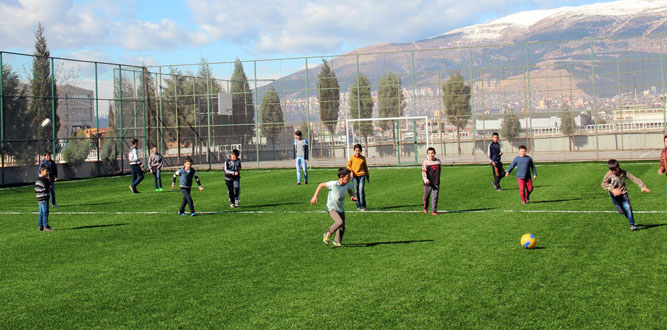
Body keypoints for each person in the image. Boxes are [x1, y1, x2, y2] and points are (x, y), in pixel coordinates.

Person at [310, 167, 357, 248]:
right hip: (331, 207)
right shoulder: (333, 184)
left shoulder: (347, 184)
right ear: (341, 176)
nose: (349, 178)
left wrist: (351, 196)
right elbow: (321, 185)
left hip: (340, 208)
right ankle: (328, 234)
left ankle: (337, 241)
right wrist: (315, 196)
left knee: (342, 227)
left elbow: (349, 190)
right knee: (339, 222)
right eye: (348, 177)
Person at [601, 159, 651, 231]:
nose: (613, 172)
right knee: (622, 211)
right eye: (611, 170)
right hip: (614, 196)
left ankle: (632, 224)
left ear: (619, 167)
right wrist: (613, 190)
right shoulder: (609, 175)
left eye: (615, 170)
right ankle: (625, 214)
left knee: (628, 208)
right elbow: (603, 184)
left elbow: (633, 178)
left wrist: (642, 186)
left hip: (623, 193)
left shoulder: (624, 173)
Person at [347, 143, 370, 211]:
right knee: (356, 191)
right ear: (354, 150)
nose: (357, 152)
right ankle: (358, 205)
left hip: (362, 175)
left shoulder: (363, 158)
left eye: (359, 150)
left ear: (361, 151)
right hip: (355, 176)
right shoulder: (352, 158)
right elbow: (348, 166)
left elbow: (365, 167)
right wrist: (351, 170)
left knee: (361, 190)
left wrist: (367, 176)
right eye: (356, 150)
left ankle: (363, 205)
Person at [422, 147, 441, 215]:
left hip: (436, 182)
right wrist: (426, 180)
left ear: (435, 153)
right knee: (426, 196)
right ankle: (425, 207)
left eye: (432, 153)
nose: (431, 155)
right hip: (427, 183)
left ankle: (434, 210)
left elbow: (439, 171)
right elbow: (423, 172)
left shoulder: (438, 161)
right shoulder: (425, 162)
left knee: (435, 197)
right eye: (429, 153)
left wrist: (438, 179)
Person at [35, 164, 53, 232]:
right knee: (45, 212)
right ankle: (46, 226)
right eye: (46, 171)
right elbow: (48, 187)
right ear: (41, 171)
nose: (48, 173)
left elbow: (36, 189)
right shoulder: (44, 179)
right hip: (44, 197)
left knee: (41, 212)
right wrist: (48, 180)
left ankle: (40, 226)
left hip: (39, 198)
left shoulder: (37, 179)